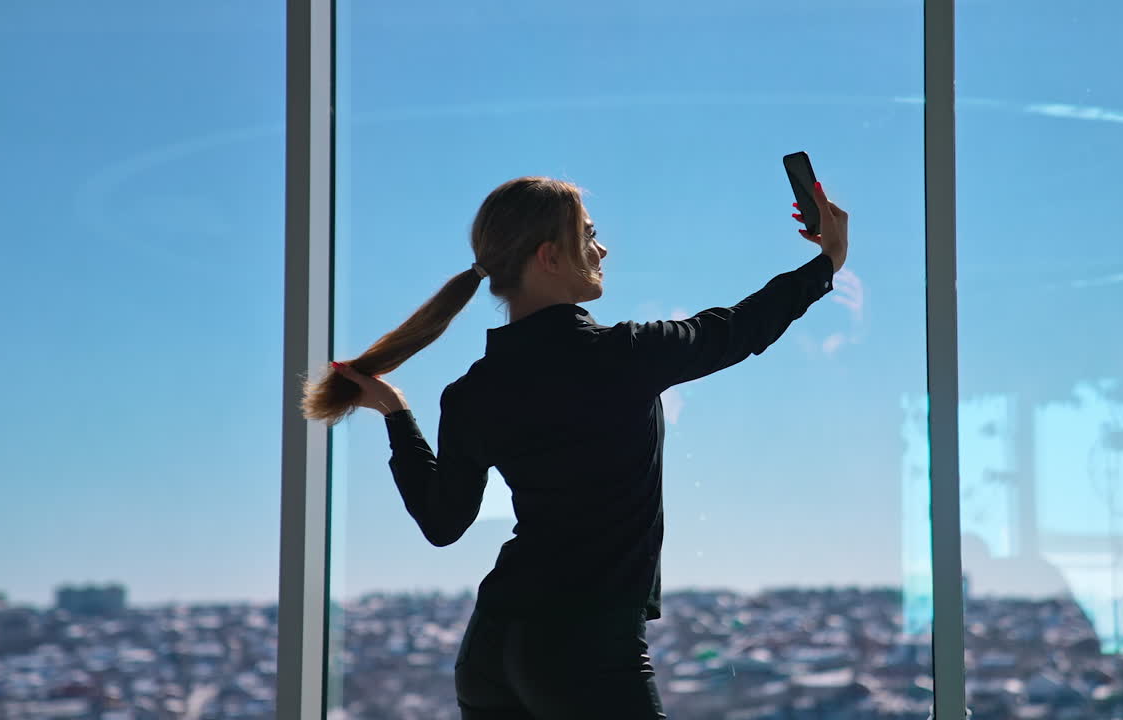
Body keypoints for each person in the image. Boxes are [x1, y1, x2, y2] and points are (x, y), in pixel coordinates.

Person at [302, 171, 848, 719]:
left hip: (491, 650)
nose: (602, 247)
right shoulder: (625, 355)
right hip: (586, 649)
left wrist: (397, 415)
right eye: (588, 234)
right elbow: (739, 328)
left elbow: (443, 523)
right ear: (550, 258)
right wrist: (827, 262)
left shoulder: (471, 392)